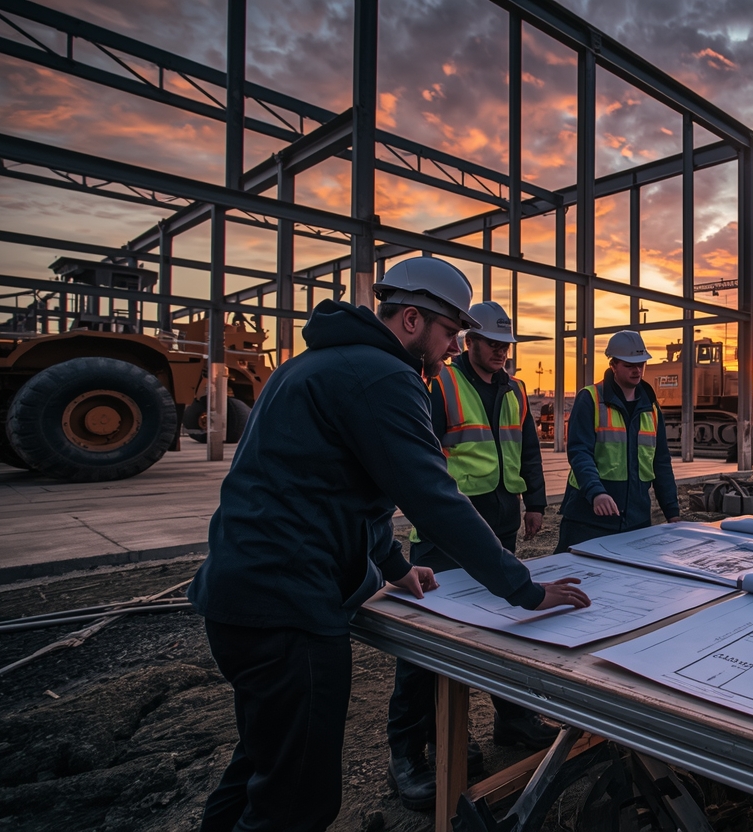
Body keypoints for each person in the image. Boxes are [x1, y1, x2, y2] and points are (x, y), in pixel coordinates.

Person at [187, 256, 590, 832]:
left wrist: (395, 565)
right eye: (450, 331)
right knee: (297, 802)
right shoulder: (384, 377)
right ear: (411, 320)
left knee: (263, 762)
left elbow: (348, 488)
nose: (454, 346)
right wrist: (523, 589)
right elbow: (432, 497)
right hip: (288, 607)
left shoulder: (314, 364)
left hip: (244, 593)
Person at [385, 301, 558, 811]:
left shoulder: (515, 390)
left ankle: (512, 717)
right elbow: (420, 461)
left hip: (500, 523)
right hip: (446, 533)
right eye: (492, 343)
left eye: (506, 345)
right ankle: (411, 750)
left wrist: (535, 502)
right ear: (470, 341)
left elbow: (528, 449)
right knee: (426, 646)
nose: (501, 352)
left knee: (501, 628)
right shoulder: (440, 383)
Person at [556, 330, 681, 551]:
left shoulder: (651, 408)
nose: (637, 370)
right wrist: (596, 492)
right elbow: (579, 452)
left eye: (641, 364)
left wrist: (672, 512)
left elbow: (661, 462)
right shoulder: (590, 399)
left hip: (636, 520)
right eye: (629, 365)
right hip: (589, 519)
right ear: (613, 365)